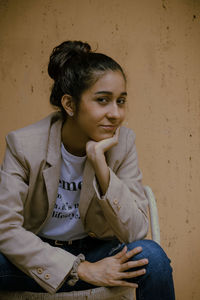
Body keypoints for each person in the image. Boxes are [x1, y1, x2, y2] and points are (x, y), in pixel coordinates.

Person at [0, 40, 175, 299]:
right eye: (103, 100)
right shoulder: (24, 145)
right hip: (40, 256)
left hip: (101, 253)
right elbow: (6, 228)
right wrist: (81, 269)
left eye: (121, 101)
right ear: (70, 105)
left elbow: (136, 232)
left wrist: (101, 166)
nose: (116, 113)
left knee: (153, 258)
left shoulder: (123, 143)